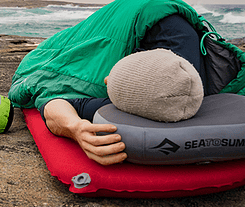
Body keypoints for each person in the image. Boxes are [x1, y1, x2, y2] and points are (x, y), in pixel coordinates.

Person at [39, 14, 205, 165]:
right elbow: (51, 102)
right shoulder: (182, 70)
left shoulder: (188, 85)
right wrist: (74, 128)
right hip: (141, 14)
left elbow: (53, 103)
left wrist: (74, 127)